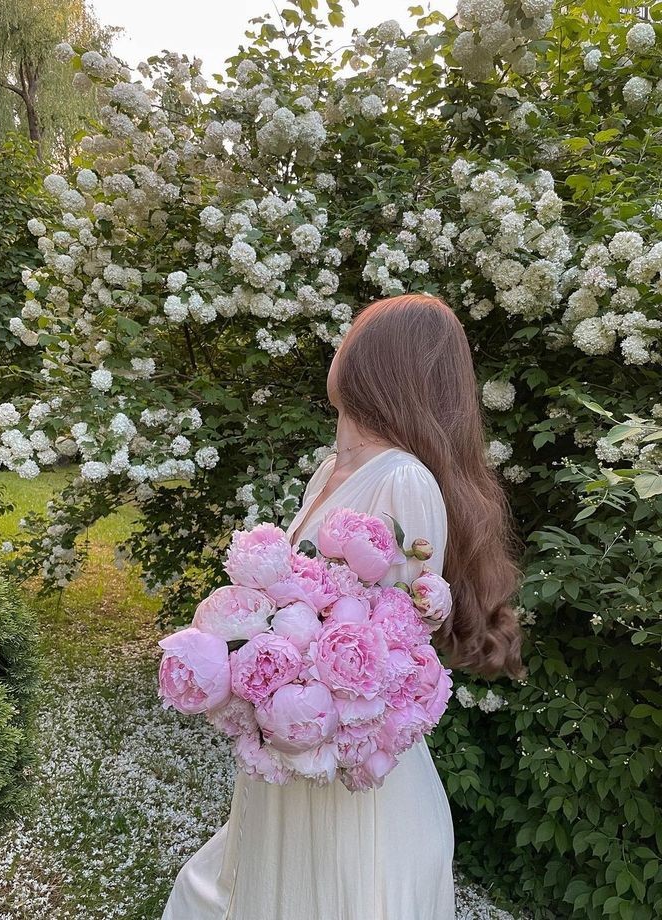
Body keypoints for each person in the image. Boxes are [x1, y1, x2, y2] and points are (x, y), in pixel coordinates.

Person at [162, 293, 525, 920]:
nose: (340, 347)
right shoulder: (330, 468)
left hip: (345, 784)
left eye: (352, 337)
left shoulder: (403, 480)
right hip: (290, 756)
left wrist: (284, 684)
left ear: (380, 364)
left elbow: (391, 653)